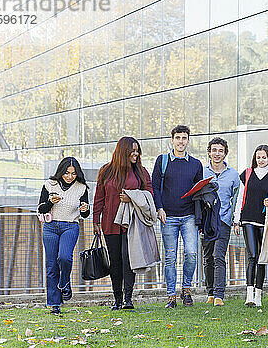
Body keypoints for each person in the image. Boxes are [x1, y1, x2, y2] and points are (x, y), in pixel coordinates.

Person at [93, 137, 153, 310]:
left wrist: (132, 197)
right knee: (115, 261)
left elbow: (149, 193)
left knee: (128, 259)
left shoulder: (140, 172)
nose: (135, 154)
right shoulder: (106, 171)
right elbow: (99, 197)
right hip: (110, 223)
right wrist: (96, 220)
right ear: (122, 151)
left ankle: (128, 299)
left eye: (137, 151)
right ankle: (117, 299)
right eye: (132, 151)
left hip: (132, 224)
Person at [152, 125, 203, 308]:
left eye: (184, 138)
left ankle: (186, 289)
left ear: (188, 141)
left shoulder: (196, 164)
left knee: (191, 253)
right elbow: (155, 187)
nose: (181, 141)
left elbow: (199, 192)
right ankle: (171, 295)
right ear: (172, 140)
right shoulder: (162, 161)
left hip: (189, 215)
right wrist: (159, 208)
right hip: (168, 217)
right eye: (178, 138)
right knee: (170, 258)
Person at [38, 157, 89, 315]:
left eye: (73, 174)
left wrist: (85, 209)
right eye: (67, 173)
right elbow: (41, 209)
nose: (69, 176)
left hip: (70, 226)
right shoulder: (50, 184)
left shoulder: (81, 188)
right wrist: (51, 202)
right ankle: (55, 304)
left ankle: (65, 283)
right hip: (50, 227)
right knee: (52, 266)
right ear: (61, 172)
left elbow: (85, 214)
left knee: (65, 257)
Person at [233, 145, 268, 307]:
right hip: (248, 219)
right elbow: (240, 197)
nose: (260, 160)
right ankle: (249, 295)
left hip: (265, 221)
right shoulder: (246, 174)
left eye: (263, 157)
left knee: (262, 258)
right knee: (252, 255)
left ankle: (259, 295)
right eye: (258, 157)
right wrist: (236, 219)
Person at [202, 137, 240, 306]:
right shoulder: (202, 172)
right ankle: (210, 292)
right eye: (214, 150)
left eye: (220, 151)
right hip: (207, 221)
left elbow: (238, 198)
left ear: (225, 153)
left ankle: (219, 295)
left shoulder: (233, 174)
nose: (217, 154)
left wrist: (235, 219)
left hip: (224, 220)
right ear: (209, 152)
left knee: (219, 256)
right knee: (208, 257)